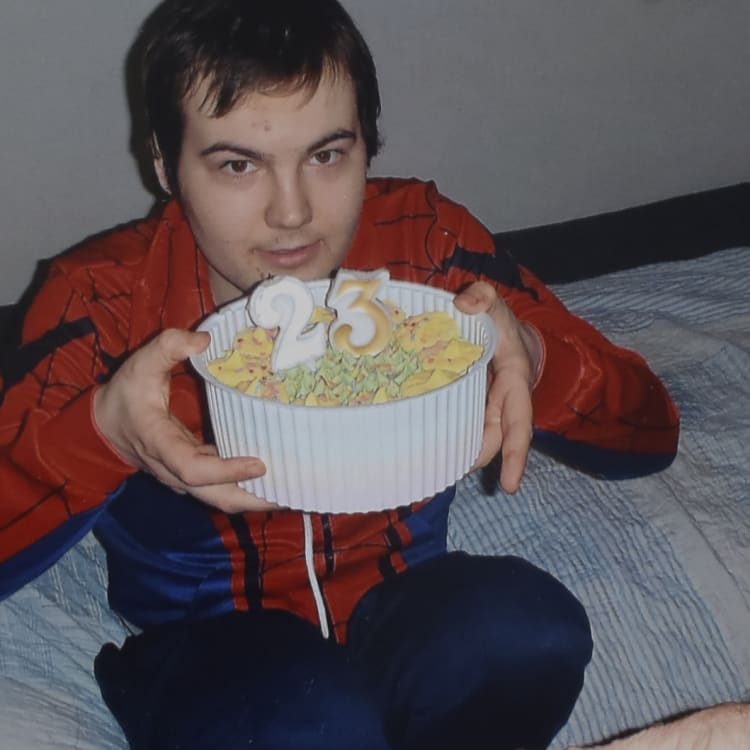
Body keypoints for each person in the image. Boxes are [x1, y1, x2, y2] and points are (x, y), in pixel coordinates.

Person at [0, 1, 680, 748]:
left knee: (528, 631)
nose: (291, 214)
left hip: (404, 598)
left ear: (367, 147)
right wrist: (103, 432)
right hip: (206, 642)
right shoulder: (100, 298)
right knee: (314, 718)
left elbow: (651, 429)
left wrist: (540, 359)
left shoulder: (429, 243)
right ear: (165, 164)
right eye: (236, 164)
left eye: (327, 155)